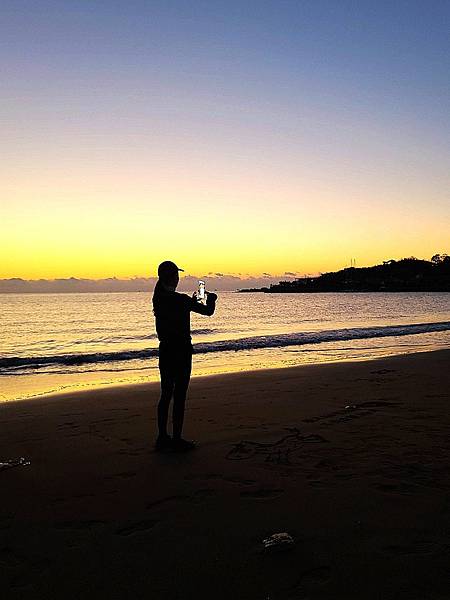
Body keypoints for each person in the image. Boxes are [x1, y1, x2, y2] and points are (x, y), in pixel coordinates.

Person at [152, 260, 217, 452]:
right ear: (173, 278)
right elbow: (208, 311)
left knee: (165, 395)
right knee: (179, 396)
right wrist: (211, 298)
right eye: (177, 276)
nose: (178, 279)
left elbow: (180, 303)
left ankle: (162, 437)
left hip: (165, 351)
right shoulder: (180, 300)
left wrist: (190, 300)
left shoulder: (158, 298)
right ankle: (177, 439)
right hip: (181, 352)